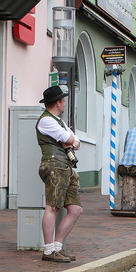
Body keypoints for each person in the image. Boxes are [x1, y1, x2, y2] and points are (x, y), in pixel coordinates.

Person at [36, 85, 83, 262]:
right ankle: (49, 250)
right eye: (63, 101)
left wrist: (71, 141)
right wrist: (70, 141)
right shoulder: (46, 120)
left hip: (65, 167)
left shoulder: (58, 121)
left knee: (75, 209)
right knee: (53, 206)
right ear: (58, 102)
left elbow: (75, 141)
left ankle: (57, 246)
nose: (64, 104)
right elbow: (69, 139)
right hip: (54, 165)